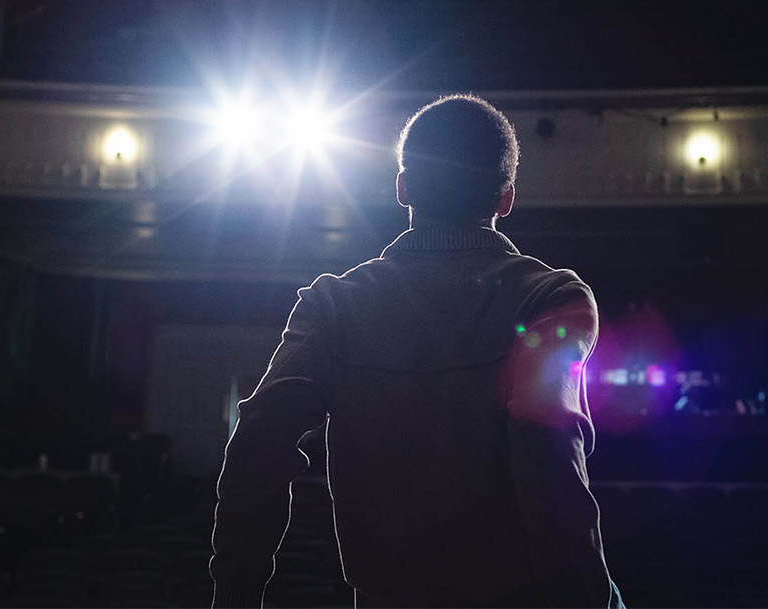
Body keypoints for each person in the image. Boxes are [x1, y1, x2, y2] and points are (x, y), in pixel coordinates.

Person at [211, 95, 624, 608]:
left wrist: (234, 597)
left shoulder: (335, 304)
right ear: (506, 198)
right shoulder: (553, 299)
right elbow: (550, 458)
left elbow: (256, 445)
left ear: (403, 187)